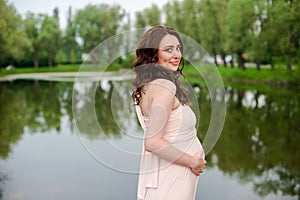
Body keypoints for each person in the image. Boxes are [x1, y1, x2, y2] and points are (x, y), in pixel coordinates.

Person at [131, 25, 206, 200]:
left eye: (178, 48)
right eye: (168, 49)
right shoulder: (164, 87)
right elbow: (152, 142)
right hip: (171, 179)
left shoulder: (149, 85)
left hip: (170, 175)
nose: (177, 54)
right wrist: (193, 162)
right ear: (152, 54)